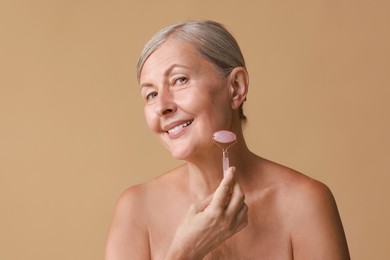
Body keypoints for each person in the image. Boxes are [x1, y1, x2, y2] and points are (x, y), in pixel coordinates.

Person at [105, 20, 350, 259]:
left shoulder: (304, 203)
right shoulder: (136, 209)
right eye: (151, 94)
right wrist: (186, 253)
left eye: (180, 80)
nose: (162, 106)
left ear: (236, 87)